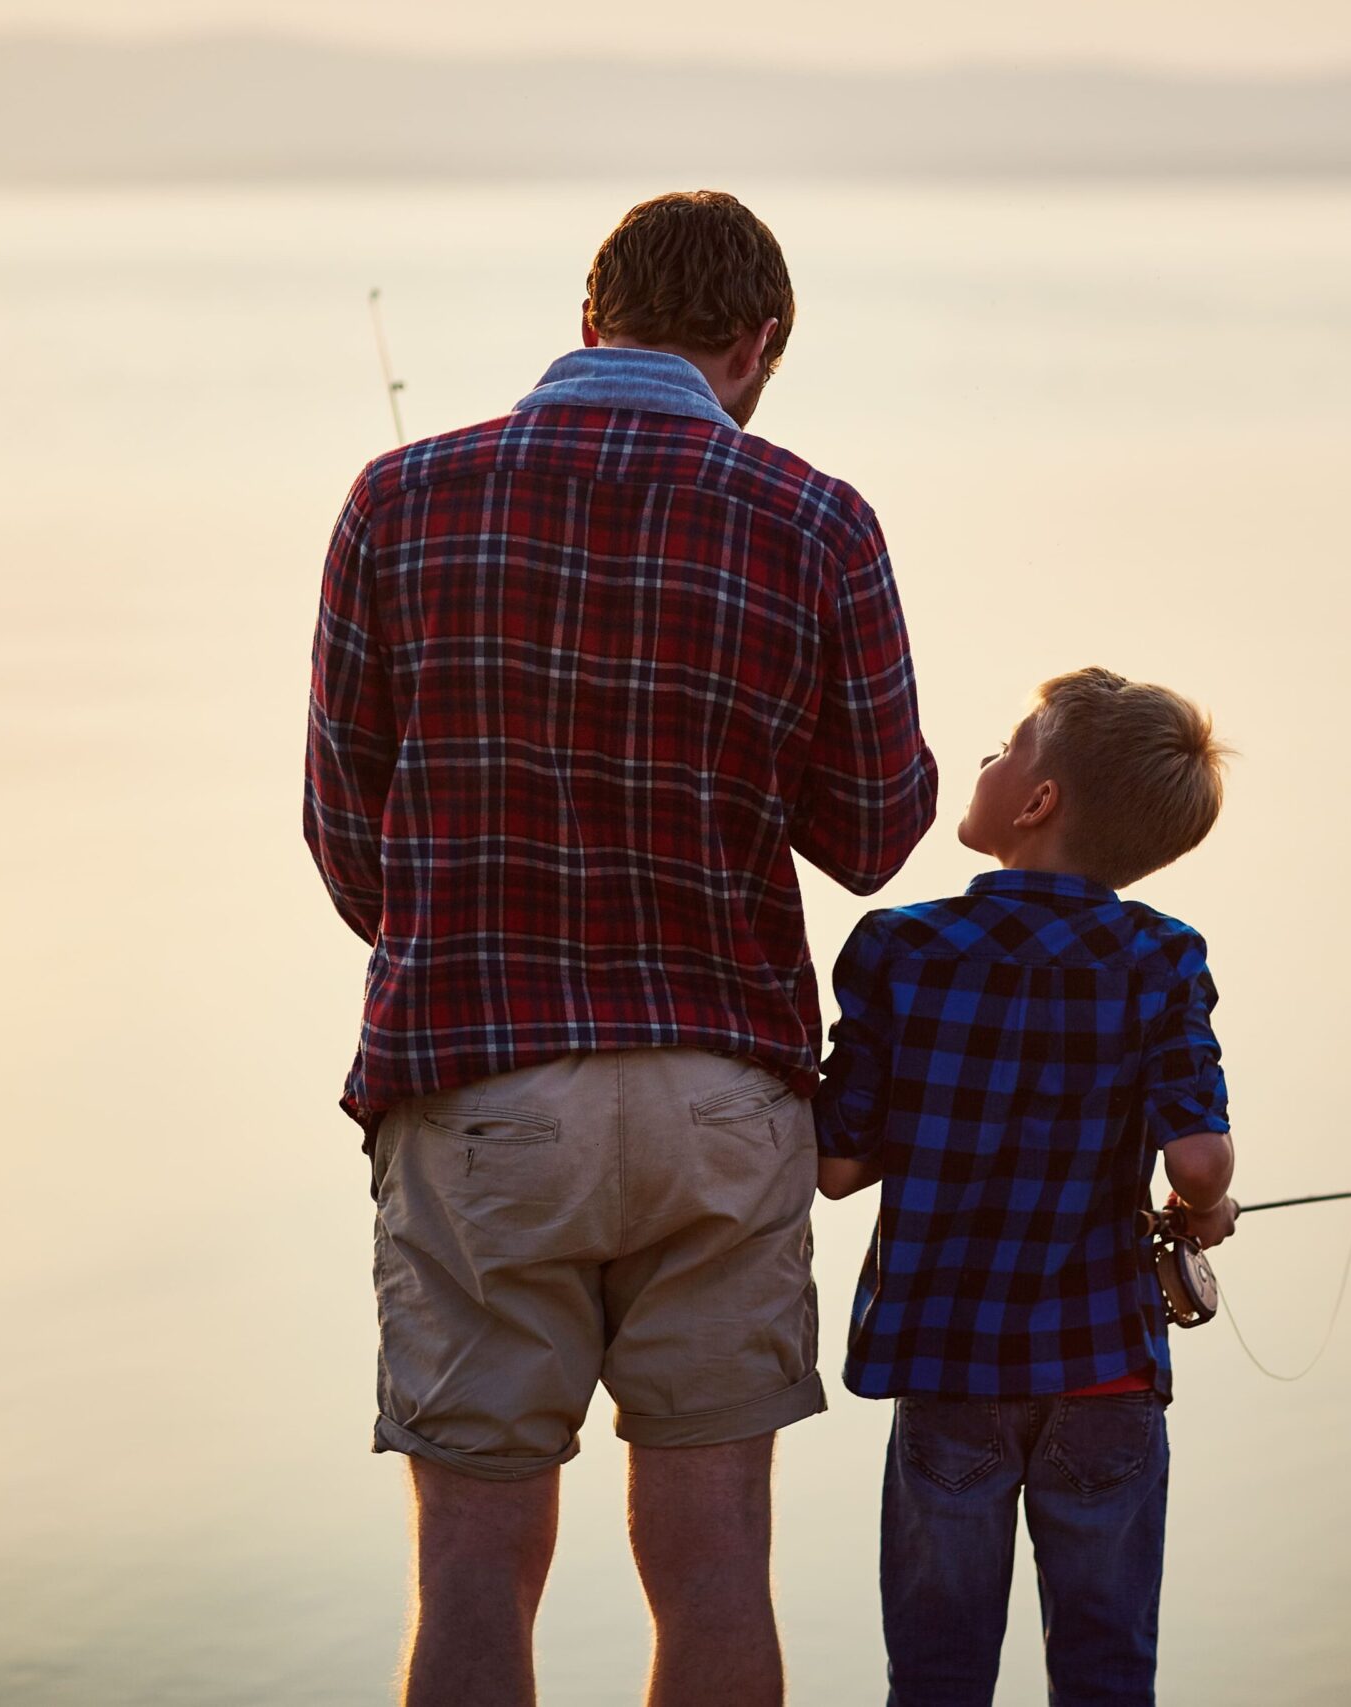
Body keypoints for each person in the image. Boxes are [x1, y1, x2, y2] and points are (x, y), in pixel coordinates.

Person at [304, 189, 938, 1707]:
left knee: (471, 1564)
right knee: (713, 1556)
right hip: (722, 1096)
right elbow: (873, 835)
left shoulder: (398, 498)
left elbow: (347, 842)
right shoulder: (817, 516)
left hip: (479, 1092)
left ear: (591, 319)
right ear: (758, 343)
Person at [814, 666, 1237, 1707]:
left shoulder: (900, 949)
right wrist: (1201, 1212)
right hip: (1103, 1373)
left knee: (938, 1673)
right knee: (1105, 1672)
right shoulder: (1162, 958)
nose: (988, 763)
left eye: (1006, 750)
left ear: (1037, 802)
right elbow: (1199, 1162)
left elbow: (833, 1168)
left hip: (949, 1369)